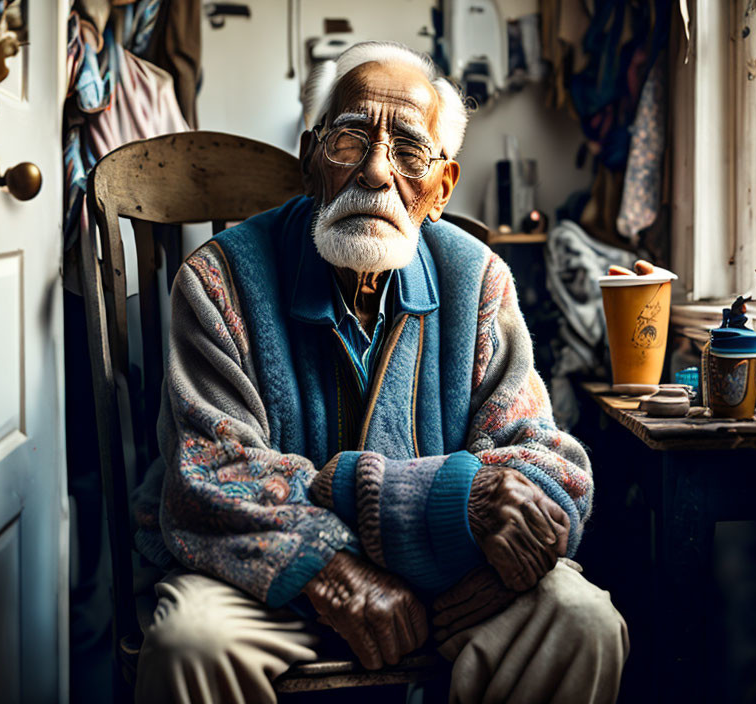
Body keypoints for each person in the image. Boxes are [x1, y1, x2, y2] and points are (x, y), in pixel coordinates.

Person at [134, 41, 629, 704]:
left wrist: (484, 556)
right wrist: (341, 563)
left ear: (441, 189)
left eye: (409, 151)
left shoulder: (479, 281)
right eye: (349, 140)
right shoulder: (217, 280)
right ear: (313, 160)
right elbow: (210, 477)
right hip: (274, 573)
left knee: (582, 621)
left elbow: (545, 466)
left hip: (445, 578)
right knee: (189, 643)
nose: (375, 170)